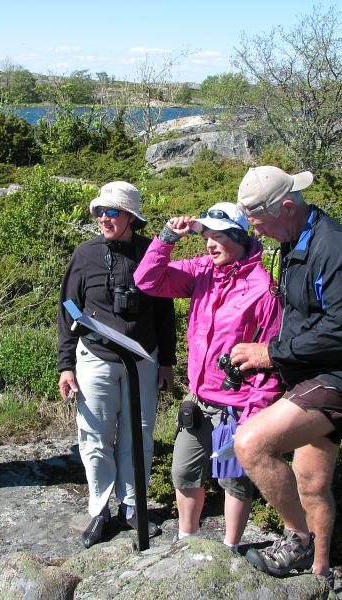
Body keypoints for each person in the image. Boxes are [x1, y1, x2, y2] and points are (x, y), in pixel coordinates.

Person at [229, 166, 342, 581]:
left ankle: (297, 539)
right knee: (311, 483)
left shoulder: (335, 250)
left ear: (288, 206)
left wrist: (272, 354)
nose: (255, 233)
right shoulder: (296, 239)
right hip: (312, 373)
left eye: (258, 222)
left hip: (339, 379)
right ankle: (320, 573)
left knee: (252, 444)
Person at [133, 202, 283, 551]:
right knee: (184, 474)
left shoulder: (262, 289)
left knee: (234, 483)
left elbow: (271, 361)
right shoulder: (202, 272)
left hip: (238, 408)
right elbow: (147, 280)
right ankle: (187, 543)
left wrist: (254, 416)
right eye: (206, 237)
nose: (209, 244)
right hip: (198, 402)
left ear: (239, 238)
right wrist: (167, 237)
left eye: (218, 237)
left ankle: (229, 550)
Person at [57, 181, 176, 548]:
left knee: (137, 433)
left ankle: (132, 506)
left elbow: (164, 311)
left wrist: (167, 361)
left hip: (142, 358)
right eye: (100, 212)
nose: (103, 219)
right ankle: (100, 510)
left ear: (130, 217)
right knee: (94, 435)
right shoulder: (85, 254)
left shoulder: (149, 254)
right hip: (95, 356)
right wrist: (66, 365)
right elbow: (67, 310)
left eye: (112, 212)